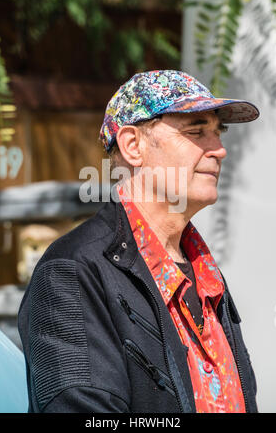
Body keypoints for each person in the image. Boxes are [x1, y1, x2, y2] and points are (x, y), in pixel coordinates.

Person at [18, 70, 259, 413]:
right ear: (133, 146)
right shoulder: (71, 271)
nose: (219, 150)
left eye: (218, 133)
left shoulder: (205, 275)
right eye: (196, 131)